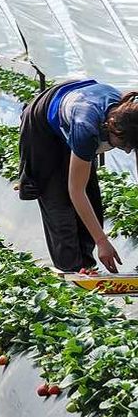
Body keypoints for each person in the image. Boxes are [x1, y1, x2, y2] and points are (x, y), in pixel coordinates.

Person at [18, 80, 138, 273]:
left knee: (93, 199)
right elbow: (76, 191)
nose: (125, 151)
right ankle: (72, 270)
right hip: (43, 126)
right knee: (59, 202)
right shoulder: (86, 127)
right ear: (112, 127)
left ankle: (86, 265)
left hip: (74, 109)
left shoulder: (131, 120)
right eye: (122, 144)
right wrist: (102, 241)